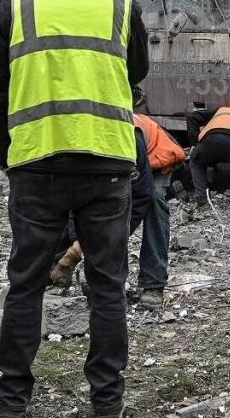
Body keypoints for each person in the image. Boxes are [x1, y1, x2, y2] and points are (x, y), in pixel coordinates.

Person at [0, 0, 149, 418]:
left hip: (36, 165)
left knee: (26, 284)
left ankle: (12, 402)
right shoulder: (120, 5)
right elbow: (137, 69)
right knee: (108, 286)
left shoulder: (17, 4)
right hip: (106, 164)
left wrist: (5, 156)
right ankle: (106, 403)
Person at [50, 111, 183, 309]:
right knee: (68, 198)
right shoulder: (79, 143)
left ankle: (153, 284)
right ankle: (56, 267)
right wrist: (74, 251)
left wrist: (112, 238)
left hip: (157, 159)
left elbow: (140, 197)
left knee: (155, 200)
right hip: (115, 162)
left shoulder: (128, 136)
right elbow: (77, 200)